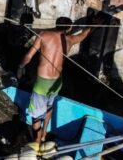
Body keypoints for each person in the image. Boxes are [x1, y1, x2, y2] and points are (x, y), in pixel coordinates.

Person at [17, 17, 92, 151]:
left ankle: (38, 140)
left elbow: (29, 55)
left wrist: (21, 67)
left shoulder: (43, 35)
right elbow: (84, 34)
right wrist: (95, 24)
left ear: (55, 25)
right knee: (49, 107)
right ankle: (45, 132)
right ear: (69, 29)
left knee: (35, 117)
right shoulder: (69, 40)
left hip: (42, 84)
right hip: (57, 82)